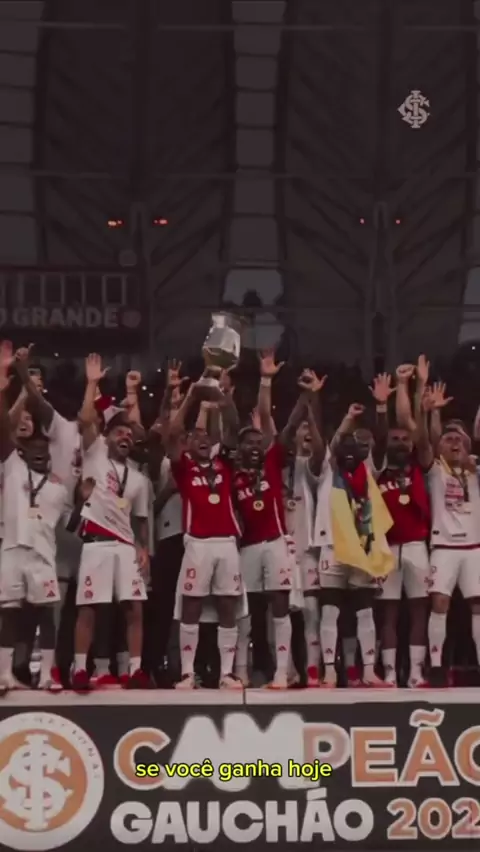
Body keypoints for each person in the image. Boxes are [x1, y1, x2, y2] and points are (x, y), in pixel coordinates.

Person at [233, 350, 317, 689]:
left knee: (280, 607)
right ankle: (241, 671)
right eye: (248, 443)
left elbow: (287, 424)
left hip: (276, 543)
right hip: (246, 548)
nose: (255, 446)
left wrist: (298, 393)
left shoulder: (271, 463)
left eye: (258, 441)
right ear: (239, 449)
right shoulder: (231, 476)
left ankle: (283, 672)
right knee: (244, 611)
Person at [71, 353, 150, 691]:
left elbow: (140, 519)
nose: (125, 437)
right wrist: (92, 384)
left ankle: (135, 670)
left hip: (125, 546)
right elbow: (86, 418)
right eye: (119, 432)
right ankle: (79, 669)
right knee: (89, 608)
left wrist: (143, 547)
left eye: (129, 434)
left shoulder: (139, 479)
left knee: (134, 609)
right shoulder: (95, 454)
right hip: (96, 544)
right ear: (108, 435)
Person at [397, 371, 480, 687]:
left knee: (478, 605)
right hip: (443, 547)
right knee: (439, 603)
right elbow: (422, 440)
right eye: (449, 439)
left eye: (460, 439)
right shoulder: (434, 470)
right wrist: (428, 410)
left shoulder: (475, 470)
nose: (455, 442)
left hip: (474, 548)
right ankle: (435, 666)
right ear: (440, 447)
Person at [165, 370, 243, 690]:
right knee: (191, 605)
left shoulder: (225, 464)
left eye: (206, 436)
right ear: (188, 443)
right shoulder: (184, 467)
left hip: (227, 542)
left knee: (227, 605)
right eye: (195, 436)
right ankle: (187, 673)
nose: (202, 439)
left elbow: (235, 429)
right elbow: (172, 434)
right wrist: (192, 396)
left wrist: (224, 398)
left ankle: (226, 674)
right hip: (197, 542)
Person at [0, 340, 69, 693]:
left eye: (45, 448)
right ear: (23, 451)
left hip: (42, 555)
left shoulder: (58, 487)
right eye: (34, 448)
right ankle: (4, 674)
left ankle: (46, 675)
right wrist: (5, 385)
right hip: (12, 550)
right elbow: (3, 431)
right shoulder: (13, 467)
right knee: (9, 614)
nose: (40, 452)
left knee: (46, 614)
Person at [376, 358, 432, 687]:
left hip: (416, 547)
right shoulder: (379, 470)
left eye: (404, 439)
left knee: (420, 610)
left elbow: (417, 432)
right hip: (386, 548)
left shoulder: (420, 466)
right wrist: (399, 387)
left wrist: (413, 387)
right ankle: (388, 674)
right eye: (394, 439)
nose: (400, 443)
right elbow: (386, 427)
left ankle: (415, 673)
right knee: (389, 613)